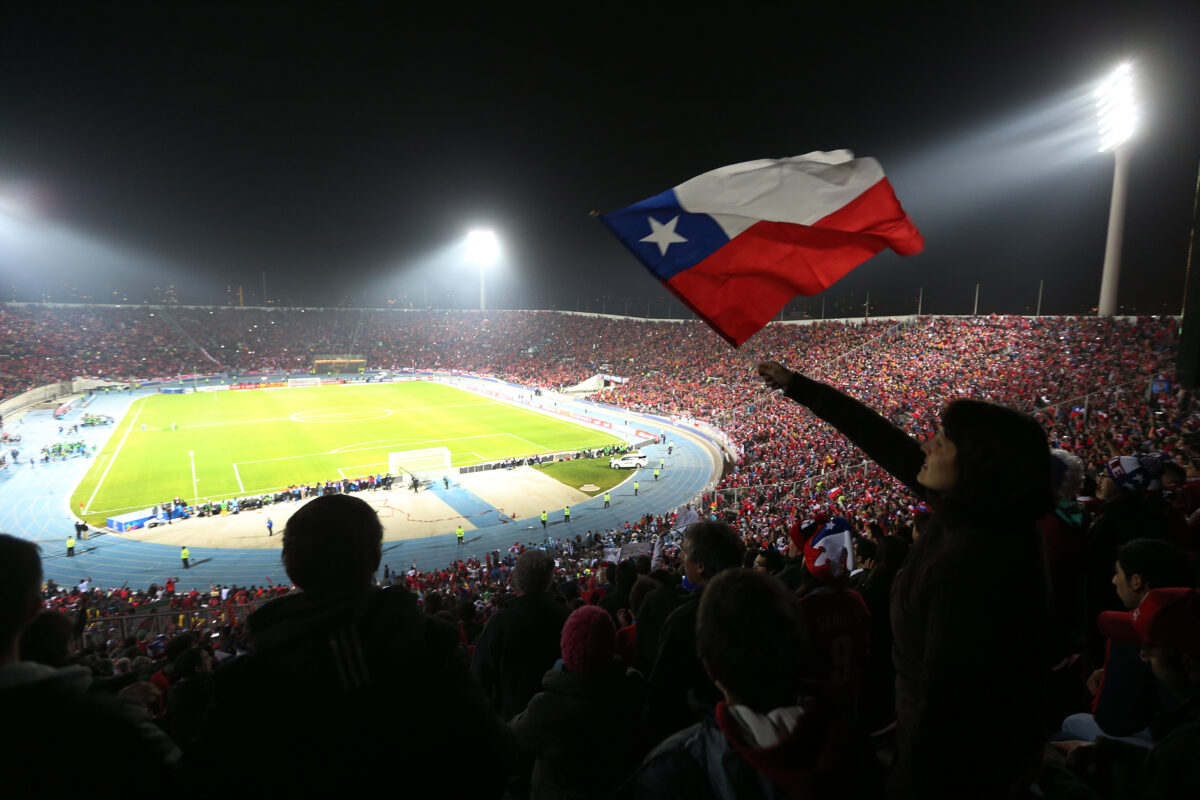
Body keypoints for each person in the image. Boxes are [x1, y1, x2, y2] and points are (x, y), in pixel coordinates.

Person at [759, 360, 1053, 799]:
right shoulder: (982, 514)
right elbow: (885, 442)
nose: (927, 444)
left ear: (978, 464)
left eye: (943, 440)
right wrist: (799, 387)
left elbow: (948, 712)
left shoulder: (971, 565)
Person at [189, 493, 514, 794]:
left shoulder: (241, 683)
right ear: (375, 558)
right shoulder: (432, 647)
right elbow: (494, 756)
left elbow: (201, 780)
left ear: (290, 567)